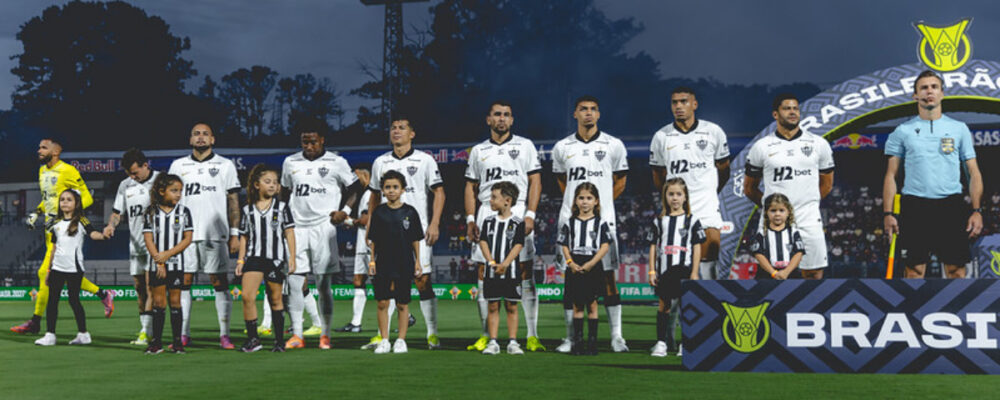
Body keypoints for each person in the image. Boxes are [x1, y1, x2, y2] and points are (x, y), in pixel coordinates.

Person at [883, 70, 984, 278]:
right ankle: (913, 312)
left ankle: (956, 310)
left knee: (956, 270)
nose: (929, 91)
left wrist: (977, 210)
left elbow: (973, 172)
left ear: (942, 94)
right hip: (914, 206)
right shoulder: (902, 131)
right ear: (915, 95)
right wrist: (888, 213)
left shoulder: (959, 129)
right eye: (924, 87)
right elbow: (890, 175)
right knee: (914, 270)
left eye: (934, 87)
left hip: (951, 205)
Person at [464, 101, 544, 352]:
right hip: (487, 210)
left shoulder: (525, 146)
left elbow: (535, 181)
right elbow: (470, 186)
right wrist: (470, 219)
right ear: (488, 119)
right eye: (497, 114)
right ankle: (487, 335)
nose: (502, 119)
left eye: (507, 115)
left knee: (524, 270)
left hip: (517, 209)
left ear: (512, 120)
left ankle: (531, 335)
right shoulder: (478, 150)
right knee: (483, 273)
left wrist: (530, 214)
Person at [12, 139, 114, 334]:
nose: (39, 150)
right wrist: (37, 212)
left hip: (66, 228)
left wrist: (67, 216)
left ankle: (36, 322)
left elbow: (87, 197)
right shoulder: (42, 171)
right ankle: (103, 294)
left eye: (44, 147)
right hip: (50, 229)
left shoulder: (68, 171)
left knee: (45, 273)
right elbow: (48, 198)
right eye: (39, 146)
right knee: (61, 274)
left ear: (56, 151)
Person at [551, 96, 629, 353]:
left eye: (593, 109)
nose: (588, 113)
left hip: (603, 221)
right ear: (575, 113)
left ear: (599, 114)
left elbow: (620, 181)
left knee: (608, 279)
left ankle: (617, 336)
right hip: (570, 221)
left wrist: (599, 206)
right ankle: (570, 338)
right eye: (583, 109)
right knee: (570, 279)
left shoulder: (614, 145)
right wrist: (578, 208)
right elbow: (563, 183)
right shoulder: (562, 147)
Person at [281, 119, 363, 349]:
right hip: (296, 228)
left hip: (323, 227)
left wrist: (344, 212)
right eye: (304, 141)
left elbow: (355, 188)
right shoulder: (290, 162)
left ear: (322, 140)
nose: (308, 145)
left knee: (323, 284)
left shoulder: (336, 162)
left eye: (313, 141)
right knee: (295, 281)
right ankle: (297, 334)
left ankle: (325, 335)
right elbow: (284, 194)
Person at [366, 118, 445, 350]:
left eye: (402, 128)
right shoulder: (380, 162)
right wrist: (370, 226)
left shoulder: (425, 160)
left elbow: (439, 192)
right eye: (393, 128)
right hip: (386, 230)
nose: (396, 131)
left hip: (414, 231)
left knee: (422, 281)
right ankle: (385, 336)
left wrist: (434, 223)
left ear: (412, 134)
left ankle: (432, 333)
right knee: (385, 285)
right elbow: (373, 195)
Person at [744, 94, 834, 280]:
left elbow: (826, 184)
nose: (792, 112)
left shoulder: (818, 144)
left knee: (814, 272)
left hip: (808, 218)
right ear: (775, 114)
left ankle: (811, 309)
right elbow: (749, 189)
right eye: (787, 108)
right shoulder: (762, 146)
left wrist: (809, 202)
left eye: (795, 108)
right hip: (775, 220)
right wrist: (773, 209)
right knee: (772, 274)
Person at [168, 122, 241, 349]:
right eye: (196, 134)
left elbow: (233, 202)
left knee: (219, 282)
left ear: (213, 140)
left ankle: (224, 335)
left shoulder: (225, 165)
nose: (200, 138)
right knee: (185, 283)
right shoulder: (178, 165)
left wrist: (235, 233)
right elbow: (170, 200)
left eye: (205, 134)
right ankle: (183, 333)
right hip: (185, 235)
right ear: (190, 140)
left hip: (215, 234)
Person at [649, 87, 730, 280]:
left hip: (707, 204)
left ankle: (712, 302)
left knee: (711, 252)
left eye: (684, 101)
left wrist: (711, 191)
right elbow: (658, 174)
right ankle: (675, 306)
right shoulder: (662, 136)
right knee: (676, 259)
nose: (679, 106)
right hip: (678, 207)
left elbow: (724, 168)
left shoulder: (713, 132)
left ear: (694, 104)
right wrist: (670, 199)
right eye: (675, 102)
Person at [33, 189, 109, 346]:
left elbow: (93, 233)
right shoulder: (56, 224)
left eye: (69, 199)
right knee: (52, 301)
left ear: (76, 204)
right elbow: (53, 249)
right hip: (56, 269)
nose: (65, 202)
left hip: (74, 269)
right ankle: (50, 335)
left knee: (74, 301)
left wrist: (103, 235)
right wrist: (49, 270)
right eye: (62, 200)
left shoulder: (82, 221)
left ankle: (83, 334)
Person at [236, 164, 296, 353]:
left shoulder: (282, 207)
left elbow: (289, 233)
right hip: (254, 258)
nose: (272, 185)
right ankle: (253, 339)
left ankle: (279, 342)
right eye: (267, 182)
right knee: (247, 295)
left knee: (275, 299)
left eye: (275, 183)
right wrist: (240, 260)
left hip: (275, 259)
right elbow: (244, 236)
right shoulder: (247, 210)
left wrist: (292, 258)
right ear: (256, 185)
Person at [103, 148, 159, 346]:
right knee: (139, 288)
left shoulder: (162, 181)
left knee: (152, 286)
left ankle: (147, 331)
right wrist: (111, 225)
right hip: (135, 243)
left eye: (135, 172)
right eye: (129, 174)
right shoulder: (125, 185)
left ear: (146, 165)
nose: (133, 177)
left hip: (157, 245)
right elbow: (118, 212)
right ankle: (146, 329)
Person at [367, 170, 424, 354]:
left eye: (395, 187)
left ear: (403, 189)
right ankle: (384, 340)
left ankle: (401, 340)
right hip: (383, 262)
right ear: (382, 190)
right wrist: (371, 262)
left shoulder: (410, 212)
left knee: (402, 303)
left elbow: (415, 239)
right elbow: (373, 239)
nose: (391, 190)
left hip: (404, 262)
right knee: (382, 302)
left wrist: (418, 262)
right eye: (387, 187)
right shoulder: (378, 213)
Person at [646, 178, 705, 357]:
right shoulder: (660, 221)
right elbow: (653, 247)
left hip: (684, 269)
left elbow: (697, 247)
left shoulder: (692, 220)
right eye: (671, 194)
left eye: (679, 194)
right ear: (665, 196)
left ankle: (684, 344)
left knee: (685, 308)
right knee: (663, 306)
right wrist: (651, 270)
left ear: (685, 197)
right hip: (665, 271)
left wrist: (695, 272)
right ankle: (661, 343)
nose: (675, 198)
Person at [557, 183, 612, 356]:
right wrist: (570, 262)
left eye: (589, 198)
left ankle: (593, 343)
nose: (585, 202)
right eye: (581, 198)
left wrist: (592, 263)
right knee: (577, 304)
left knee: (593, 305)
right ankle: (578, 342)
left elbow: (605, 246)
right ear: (575, 201)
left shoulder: (601, 223)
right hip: (575, 263)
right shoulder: (569, 223)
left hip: (593, 264)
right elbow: (564, 245)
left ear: (596, 201)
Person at [141, 174, 193, 354]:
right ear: (162, 191)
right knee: (158, 302)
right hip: (156, 266)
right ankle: (156, 342)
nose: (178, 194)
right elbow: (148, 239)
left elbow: (187, 239)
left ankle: (178, 342)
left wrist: (167, 255)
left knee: (175, 302)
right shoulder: (151, 212)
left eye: (180, 191)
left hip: (176, 264)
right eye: (174, 191)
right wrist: (159, 261)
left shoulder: (184, 212)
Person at [478, 182, 526, 355]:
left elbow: (518, 245)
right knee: (493, 306)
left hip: (511, 271)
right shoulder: (488, 221)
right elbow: (483, 242)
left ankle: (513, 342)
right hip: (491, 271)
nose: (490, 200)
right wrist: (490, 261)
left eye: (494, 197)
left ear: (507, 200)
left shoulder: (518, 223)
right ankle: (493, 342)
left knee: (512, 306)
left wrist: (505, 264)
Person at [751, 193, 805, 280]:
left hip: (790, 274)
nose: (777, 214)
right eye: (773, 210)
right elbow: (759, 255)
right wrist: (773, 273)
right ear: (766, 213)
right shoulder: (762, 234)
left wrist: (786, 272)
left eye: (781, 210)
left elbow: (799, 253)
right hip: (767, 275)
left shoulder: (793, 232)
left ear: (788, 212)